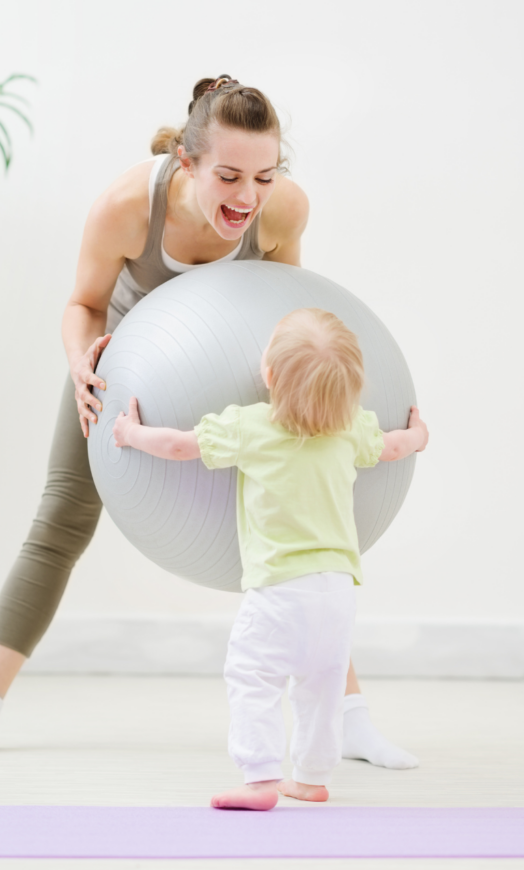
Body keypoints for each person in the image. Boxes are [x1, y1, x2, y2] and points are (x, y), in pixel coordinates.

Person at [0, 76, 418, 772]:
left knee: (294, 525)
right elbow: (82, 304)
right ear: (186, 161)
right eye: (229, 176)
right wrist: (80, 366)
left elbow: (284, 309)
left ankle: (348, 721)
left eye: (264, 177)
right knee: (60, 517)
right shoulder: (126, 207)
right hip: (124, 361)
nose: (246, 197)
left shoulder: (282, 209)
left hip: (232, 361)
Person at [113, 308, 429, 810]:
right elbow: (394, 448)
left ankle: (259, 779)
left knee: (252, 675)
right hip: (338, 589)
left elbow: (177, 446)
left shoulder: (251, 425)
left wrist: (129, 434)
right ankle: (310, 777)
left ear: (270, 375)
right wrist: (420, 436)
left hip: (280, 587)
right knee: (321, 685)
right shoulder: (351, 428)